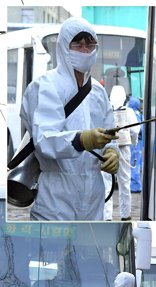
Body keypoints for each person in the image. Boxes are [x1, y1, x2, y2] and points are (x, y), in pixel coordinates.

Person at [20, 17, 118, 221]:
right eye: (78, 44)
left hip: (93, 201)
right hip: (56, 201)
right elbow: (45, 140)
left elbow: (110, 132)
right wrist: (81, 140)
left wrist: (111, 152)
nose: (84, 50)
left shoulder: (98, 92)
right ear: (64, 46)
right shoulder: (45, 86)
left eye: (89, 44)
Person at [104, 85, 138, 221]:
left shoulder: (105, 110)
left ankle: (107, 217)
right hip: (124, 149)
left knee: (107, 184)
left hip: (107, 150)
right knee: (125, 183)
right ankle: (125, 215)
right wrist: (133, 143)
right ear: (124, 97)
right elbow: (135, 131)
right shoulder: (129, 112)